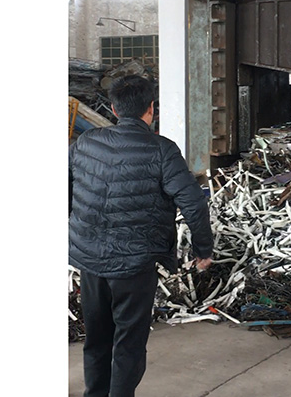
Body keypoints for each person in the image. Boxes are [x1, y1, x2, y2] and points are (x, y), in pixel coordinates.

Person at [69, 74, 213, 397]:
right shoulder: (162, 150)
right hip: (134, 266)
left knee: (97, 339)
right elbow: (193, 202)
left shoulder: (86, 142)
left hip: (91, 261)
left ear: (113, 109)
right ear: (151, 109)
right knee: (129, 344)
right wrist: (203, 249)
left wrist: (76, 225)